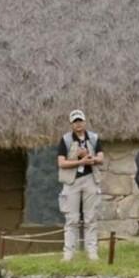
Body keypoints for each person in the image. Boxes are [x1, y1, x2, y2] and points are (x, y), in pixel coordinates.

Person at [56, 109, 104, 261]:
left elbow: (101, 158)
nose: (78, 124)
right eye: (75, 121)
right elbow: (61, 162)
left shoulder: (94, 138)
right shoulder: (66, 140)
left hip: (90, 179)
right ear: (71, 124)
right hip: (72, 181)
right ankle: (69, 253)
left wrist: (91, 159)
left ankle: (92, 252)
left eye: (80, 121)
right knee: (72, 219)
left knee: (91, 217)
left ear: (84, 121)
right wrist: (80, 162)